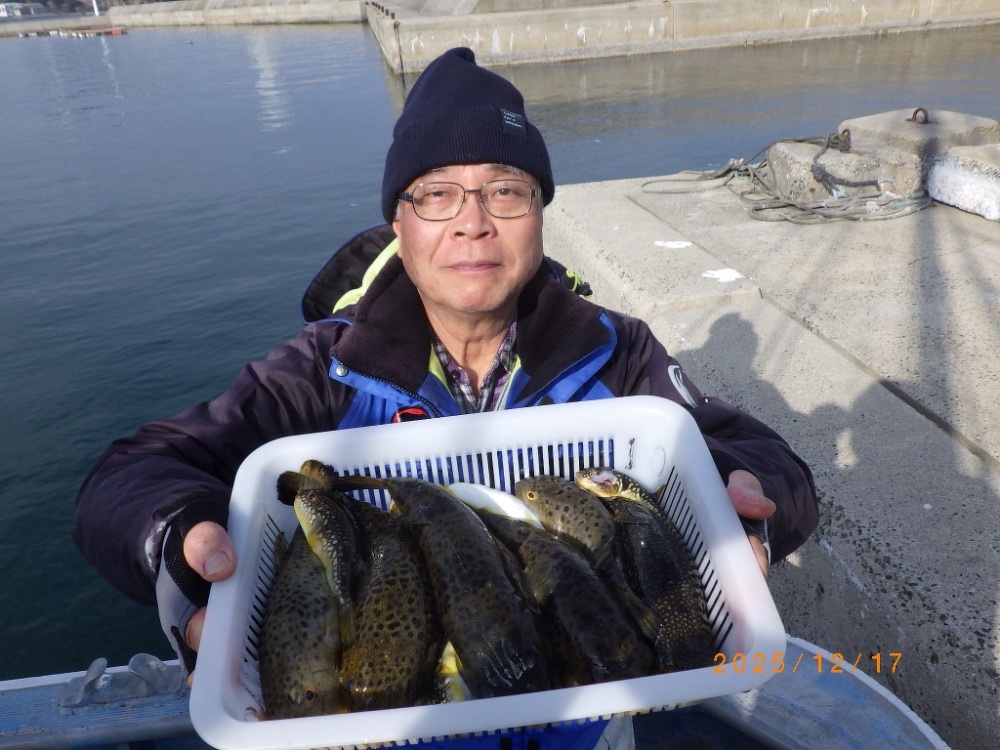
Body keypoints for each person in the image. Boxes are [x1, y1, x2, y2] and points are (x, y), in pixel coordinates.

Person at [74, 46, 817, 740]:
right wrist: (181, 538)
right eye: (436, 194)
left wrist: (745, 494)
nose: (472, 222)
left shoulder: (617, 352)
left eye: (506, 191)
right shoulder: (322, 370)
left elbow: (749, 452)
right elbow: (131, 475)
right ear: (398, 221)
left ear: (540, 213)